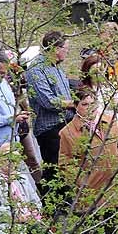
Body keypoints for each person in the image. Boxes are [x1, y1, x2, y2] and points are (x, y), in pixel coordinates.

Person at [24, 31, 75, 186]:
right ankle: (50, 204)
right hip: (50, 129)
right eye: (66, 49)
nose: (67, 52)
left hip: (67, 122)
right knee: (54, 169)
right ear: (55, 49)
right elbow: (48, 101)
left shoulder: (57, 68)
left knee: (68, 167)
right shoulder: (36, 70)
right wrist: (73, 103)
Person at [80, 54, 118, 121]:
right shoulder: (86, 92)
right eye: (95, 72)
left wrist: (117, 104)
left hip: (117, 124)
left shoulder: (109, 88)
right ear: (88, 74)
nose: (99, 74)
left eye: (101, 70)